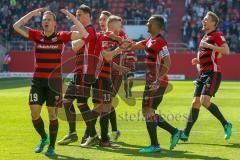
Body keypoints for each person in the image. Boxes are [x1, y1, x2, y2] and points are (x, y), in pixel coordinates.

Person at [13, 8, 88, 156]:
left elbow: (84, 34)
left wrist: (72, 17)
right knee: (34, 113)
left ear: (54, 23)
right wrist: (32, 14)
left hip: (54, 82)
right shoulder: (36, 35)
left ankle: (52, 146)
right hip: (37, 81)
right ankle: (44, 138)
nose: (45, 21)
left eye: (48, 19)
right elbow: (16, 26)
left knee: (52, 114)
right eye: (44, 19)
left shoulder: (62, 36)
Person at [104, 15, 181, 153]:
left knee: (148, 112)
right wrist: (117, 38)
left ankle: (156, 145)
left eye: (149, 22)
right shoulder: (149, 41)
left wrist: (158, 80)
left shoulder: (160, 42)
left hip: (157, 83)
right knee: (148, 112)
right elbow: (132, 46)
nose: (146, 23)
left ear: (156, 25)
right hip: (151, 81)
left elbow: (168, 62)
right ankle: (174, 132)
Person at [180, 11, 232, 142]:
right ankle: (185, 133)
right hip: (203, 74)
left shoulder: (217, 35)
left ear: (213, 23)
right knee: (195, 102)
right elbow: (214, 55)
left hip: (212, 73)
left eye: (206, 19)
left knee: (204, 101)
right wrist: (198, 61)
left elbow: (226, 51)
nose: (203, 21)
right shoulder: (204, 37)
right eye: (203, 19)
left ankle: (226, 124)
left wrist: (210, 46)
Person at [81, 15, 130, 147]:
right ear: (113, 27)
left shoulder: (111, 38)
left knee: (102, 108)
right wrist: (120, 47)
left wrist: (120, 41)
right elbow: (107, 56)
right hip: (100, 78)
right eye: (119, 27)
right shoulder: (104, 38)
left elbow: (128, 44)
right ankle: (98, 138)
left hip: (104, 76)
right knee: (103, 107)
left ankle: (97, 138)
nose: (121, 29)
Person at [58, 4, 98, 146]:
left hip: (86, 72)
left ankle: (93, 135)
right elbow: (75, 45)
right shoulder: (83, 31)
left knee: (81, 103)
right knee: (67, 101)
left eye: (79, 14)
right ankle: (72, 133)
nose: (78, 16)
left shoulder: (90, 30)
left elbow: (75, 46)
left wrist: (74, 25)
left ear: (88, 16)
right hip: (78, 71)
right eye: (77, 14)